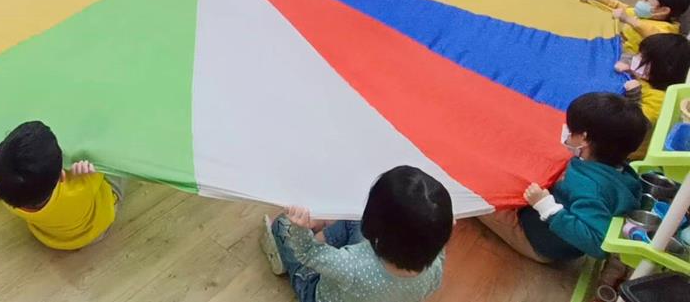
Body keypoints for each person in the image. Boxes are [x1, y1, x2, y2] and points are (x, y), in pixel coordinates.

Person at [479, 91, 646, 263]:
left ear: (584, 138)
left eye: (571, 131)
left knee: (481, 193)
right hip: (555, 224)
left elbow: (599, 244)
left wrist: (547, 207)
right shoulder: (619, 169)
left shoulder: (591, 188)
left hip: (542, 240)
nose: (567, 132)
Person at [260, 166, 451, 302]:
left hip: (317, 291)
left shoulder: (351, 266)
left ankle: (281, 253)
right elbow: (439, 247)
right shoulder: (435, 270)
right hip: (363, 287)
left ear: (373, 224)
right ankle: (324, 231)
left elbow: (307, 252)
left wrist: (300, 228)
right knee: (352, 220)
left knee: (283, 224)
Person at [0, 121, 121, 250]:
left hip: (48, 236)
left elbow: (1, 173)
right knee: (113, 161)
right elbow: (99, 164)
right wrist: (89, 173)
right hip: (92, 232)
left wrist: (1, 161)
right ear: (62, 175)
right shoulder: (78, 189)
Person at [616, 33, 690, 158]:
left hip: (628, 154)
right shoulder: (647, 81)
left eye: (643, 57)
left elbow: (635, 126)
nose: (637, 58)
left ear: (662, 67)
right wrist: (630, 70)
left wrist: (634, 96)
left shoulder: (660, 99)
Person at [582, 0, 690, 56]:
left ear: (663, 10)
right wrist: (597, 0)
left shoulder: (668, 30)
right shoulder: (641, 14)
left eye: (646, 0)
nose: (640, 3)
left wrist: (628, 20)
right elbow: (619, 6)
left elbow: (654, 35)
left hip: (633, 59)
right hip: (619, 47)